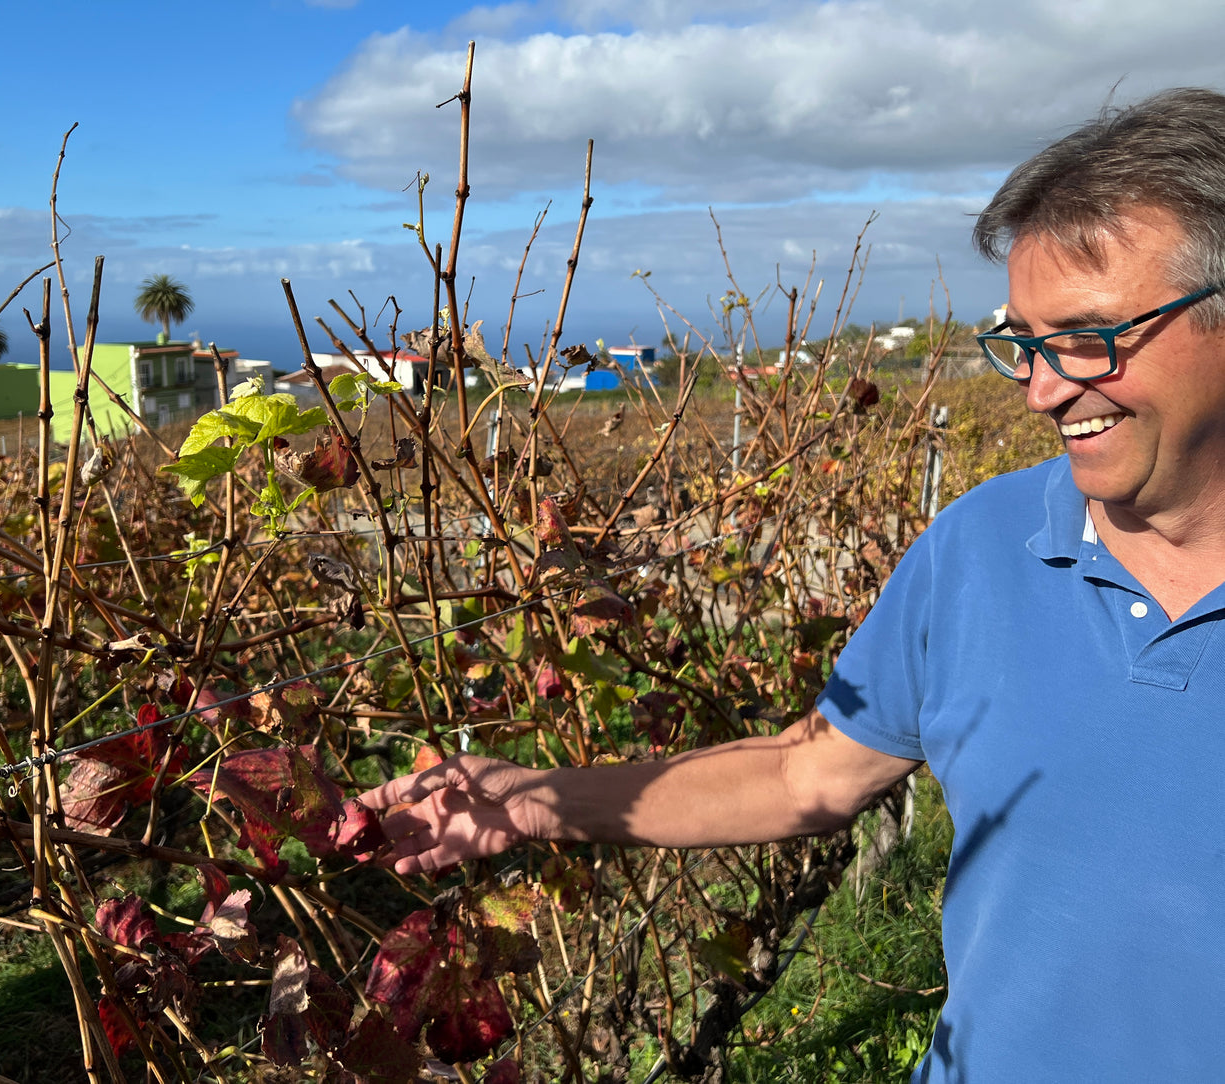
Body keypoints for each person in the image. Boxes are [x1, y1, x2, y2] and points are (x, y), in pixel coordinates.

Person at [360, 87, 1225, 1081]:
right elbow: (803, 773)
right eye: (1023, 344)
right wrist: (530, 801)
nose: (1039, 388)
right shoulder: (979, 548)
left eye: (1084, 336)